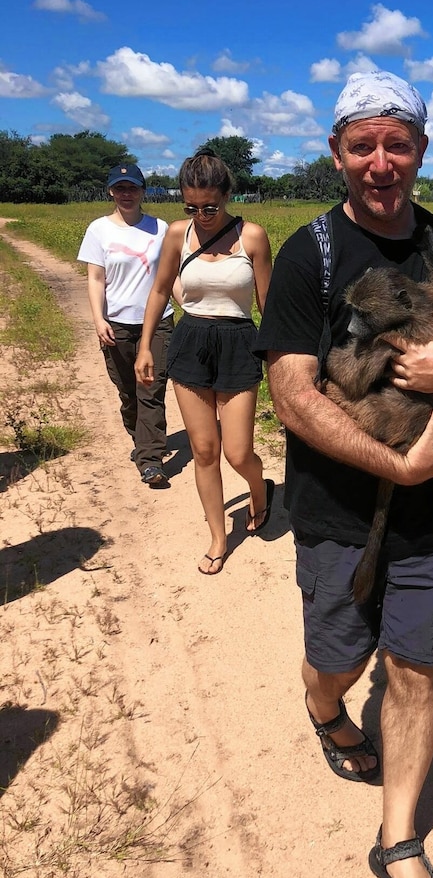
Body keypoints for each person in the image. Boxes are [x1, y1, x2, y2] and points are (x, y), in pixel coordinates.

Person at [256, 71, 433, 878]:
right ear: (336, 153)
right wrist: (389, 463)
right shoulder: (309, 254)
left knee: (418, 666)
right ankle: (325, 705)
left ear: (421, 152)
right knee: (338, 656)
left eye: (396, 143)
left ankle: (398, 839)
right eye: (362, 144)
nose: (380, 161)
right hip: (334, 510)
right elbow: (292, 393)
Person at [134, 150, 274, 575]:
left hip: (238, 343)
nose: (201, 215)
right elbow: (159, 292)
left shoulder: (252, 236)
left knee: (237, 451)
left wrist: (282, 360)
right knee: (204, 450)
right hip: (191, 340)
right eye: (191, 207)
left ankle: (259, 488)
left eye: (209, 207)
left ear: (228, 195)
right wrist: (144, 346)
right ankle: (218, 537)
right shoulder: (177, 234)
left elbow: (268, 305)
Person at [78, 163, 176, 486]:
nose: (126, 194)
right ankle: (142, 440)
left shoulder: (159, 228)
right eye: (120, 188)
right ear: (110, 191)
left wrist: (188, 301)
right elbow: (95, 278)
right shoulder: (98, 230)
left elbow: (168, 276)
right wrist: (98, 318)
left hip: (158, 322)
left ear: (143, 191)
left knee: (150, 388)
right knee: (128, 392)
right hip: (116, 324)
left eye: (132, 188)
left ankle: (150, 459)